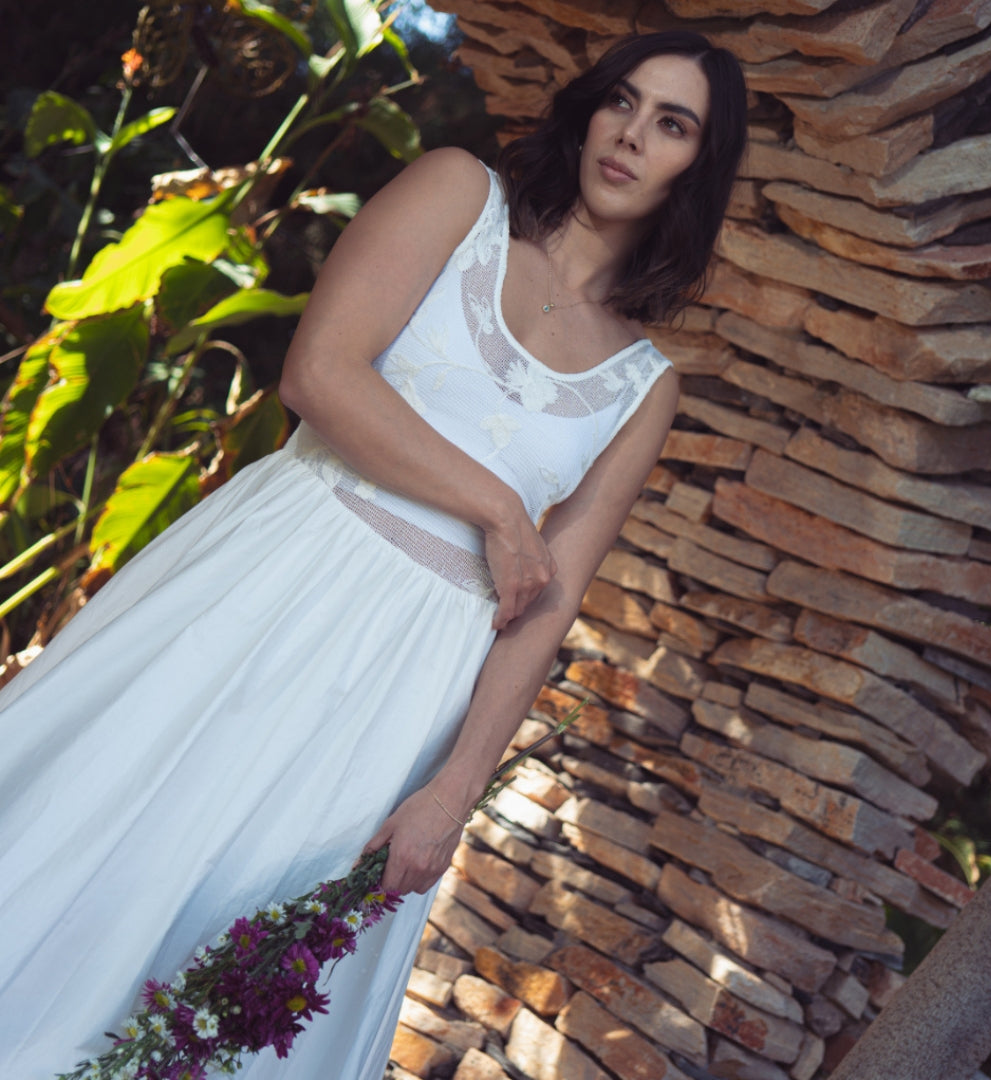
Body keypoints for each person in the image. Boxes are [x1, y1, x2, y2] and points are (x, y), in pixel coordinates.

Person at [0, 30, 746, 1080]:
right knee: (111, 838)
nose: (631, 135)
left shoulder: (645, 387)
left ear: (697, 167)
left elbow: (547, 606)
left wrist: (452, 790)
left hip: (409, 682)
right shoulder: (459, 195)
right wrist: (499, 507)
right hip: (278, 571)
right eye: (624, 102)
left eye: (673, 124)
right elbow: (320, 373)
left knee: (237, 941)